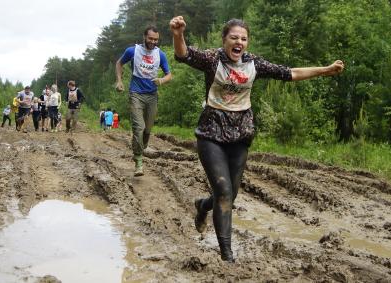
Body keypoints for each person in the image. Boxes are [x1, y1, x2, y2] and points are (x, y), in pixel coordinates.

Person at [170, 16, 345, 262]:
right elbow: (184, 54)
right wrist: (178, 35)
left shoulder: (254, 64)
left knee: (230, 196)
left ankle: (203, 206)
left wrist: (325, 70)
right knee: (223, 191)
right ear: (224, 40)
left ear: (247, 43)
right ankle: (227, 257)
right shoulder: (212, 59)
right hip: (211, 134)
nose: (238, 42)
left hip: (241, 136)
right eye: (234, 37)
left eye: (243, 38)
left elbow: (290, 73)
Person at [115, 25, 172, 176]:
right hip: (136, 93)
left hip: (152, 95)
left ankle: (141, 147)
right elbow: (119, 63)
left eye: (156, 39)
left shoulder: (160, 54)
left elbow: (169, 75)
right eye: (150, 38)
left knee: (147, 129)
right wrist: (119, 81)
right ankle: (138, 160)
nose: (153, 41)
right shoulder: (132, 51)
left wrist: (161, 80)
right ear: (144, 37)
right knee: (138, 127)